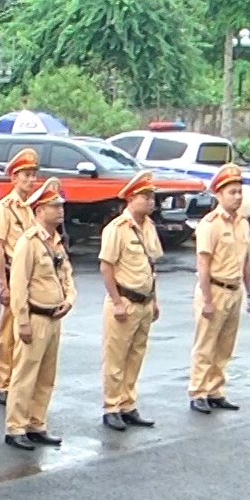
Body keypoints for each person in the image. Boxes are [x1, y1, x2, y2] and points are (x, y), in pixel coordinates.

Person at [5, 178, 74, 450]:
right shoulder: (28, 242)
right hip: (34, 317)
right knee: (25, 374)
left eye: (60, 206)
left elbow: (66, 274)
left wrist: (69, 299)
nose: (60, 210)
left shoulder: (57, 241)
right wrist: (21, 320)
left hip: (54, 317)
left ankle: (37, 423)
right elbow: (18, 284)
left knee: (47, 375)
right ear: (39, 211)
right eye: (53, 206)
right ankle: (15, 427)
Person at [189, 163, 250, 414]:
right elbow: (203, 265)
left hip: (234, 290)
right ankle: (198, 391)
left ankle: (215, 390)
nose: (237, 197)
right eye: (232, 192)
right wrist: (207, 299)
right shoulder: (210, 224)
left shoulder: (243, 223)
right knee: (205, 344)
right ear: (219, 195)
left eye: (240, 192)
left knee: (225, 345)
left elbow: (246, 261)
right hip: (214, 290)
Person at [99, 171, 163, 431]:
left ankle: (128, 403)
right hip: (124, 300)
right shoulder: (117, 229)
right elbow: (106, 267)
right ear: (130, 199)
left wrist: (154, 299)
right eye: (145, 197)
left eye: (152, 197)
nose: (151, 202)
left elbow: (151, 266)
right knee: (116, 358)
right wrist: (116, 301)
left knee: (136, 356)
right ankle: (111, 407)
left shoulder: (149, 227)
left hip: (144, 302)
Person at [0, 148, 42, 404]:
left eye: (34, 175)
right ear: (14, 178)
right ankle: (2, 383)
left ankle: (17, 380)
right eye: (26, 175)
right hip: (11, 274)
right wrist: (2, 283)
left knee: (25, 331)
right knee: (8, 332)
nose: (31, 180)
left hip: (30, 278)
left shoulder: (32, 208)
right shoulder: (5, 207)